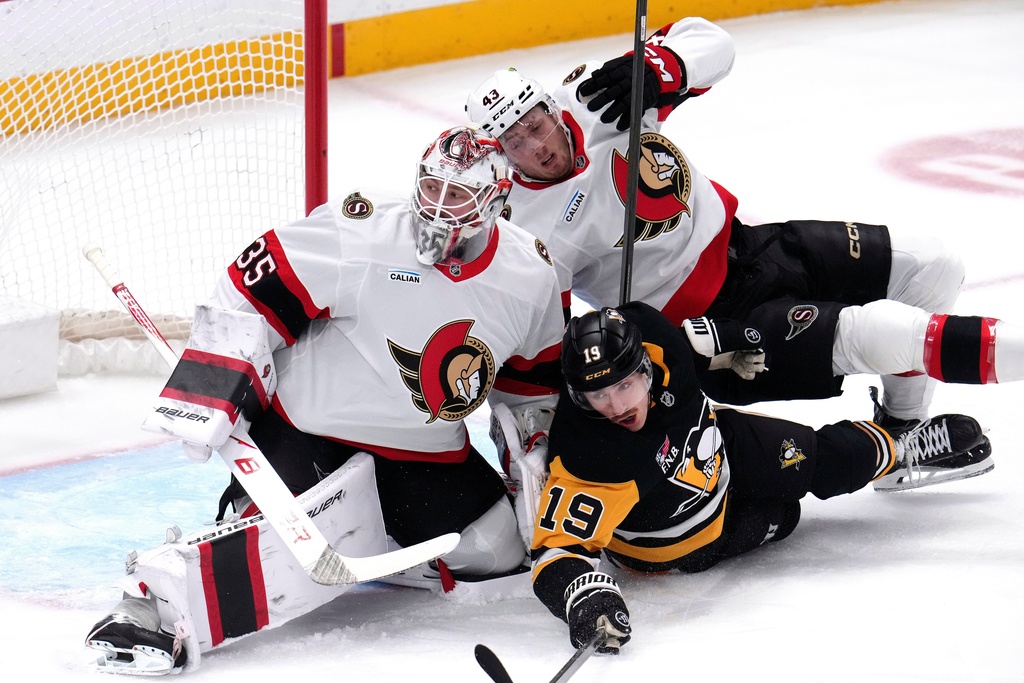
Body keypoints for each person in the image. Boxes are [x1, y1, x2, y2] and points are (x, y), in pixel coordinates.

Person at [83, 126, 566, 675]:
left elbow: (533, 384)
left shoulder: (530, 275)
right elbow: (248, 288)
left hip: (424, 452)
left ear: (496, 200)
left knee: (497, 556)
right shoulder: (361, 232)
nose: (436, 208)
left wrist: (532, 453)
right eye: (430, 188)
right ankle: (146, 605)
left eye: (456, 196)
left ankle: (370, 537)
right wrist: (213, 391)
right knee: (258, 548)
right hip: (310, 429)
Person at [464, 17, 1020, 467]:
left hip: (754, 249)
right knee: (883, 332)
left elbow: (715, 44)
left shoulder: (597, 98)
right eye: (514, 141)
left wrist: (660, 66)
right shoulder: (526, 229)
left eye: (534, 124)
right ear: (500, 154)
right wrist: (535, 439)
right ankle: (897, 447)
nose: (535, 146)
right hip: (711, 333)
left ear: (546, 104)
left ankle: (903, 429)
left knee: (933, 266)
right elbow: (536, 342)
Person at [528, 303, 988, 654]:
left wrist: (726, 346)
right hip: (683, 541)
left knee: (820, 456)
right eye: (597, 396)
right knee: (782, 516)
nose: (614, 407)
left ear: (645, 365)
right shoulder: (589, 455)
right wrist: (580, 595)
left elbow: (699, 340)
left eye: (623, 385)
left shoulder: (655, 335)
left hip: (718, 446)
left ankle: (900, 448)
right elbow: (554, 554)